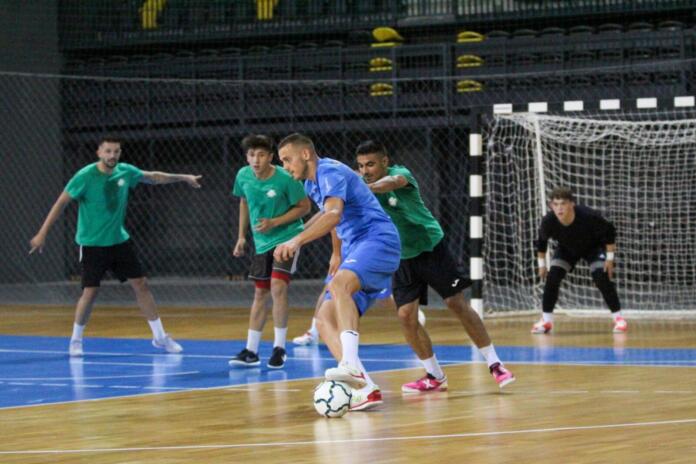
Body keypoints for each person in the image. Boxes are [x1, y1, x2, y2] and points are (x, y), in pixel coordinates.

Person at [355, 140, 515, 392]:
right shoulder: (360, 187)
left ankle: (495, 364)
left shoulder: (400, 174)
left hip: (430, 247)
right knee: (405, 316)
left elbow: (391, 183)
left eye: (371, 164)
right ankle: (434, 375)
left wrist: (366, 188)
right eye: (361, 166)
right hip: (402, 256)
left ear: (385, 162)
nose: (366, 170)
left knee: (455, 303)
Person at [29, 135, 201, 357]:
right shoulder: (85, 176)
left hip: (119, 241)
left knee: (141, 284)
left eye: (116, 151)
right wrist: (42, 233)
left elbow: (153, 177)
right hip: (92, 244)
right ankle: (76, 340)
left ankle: (159, 337)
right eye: (108, 151)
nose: (112, 155)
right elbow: (61, 202)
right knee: (90, 292)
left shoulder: (125, 172)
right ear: (99, 153)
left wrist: (184, 177)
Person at [275, 133, 401, 411]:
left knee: (339, 285)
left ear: (305, 154)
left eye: (287, 159)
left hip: (378, 240)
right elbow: (330, 216)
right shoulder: (311, 182)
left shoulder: (329, 171)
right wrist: (334, 251)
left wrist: (296, 241)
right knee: (324, 319)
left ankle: (350, 365)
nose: (285, 166)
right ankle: (365, 388)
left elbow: (333, 215)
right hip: (357, 247)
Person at [228, 134, 311, 369]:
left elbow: (304, 207)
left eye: (261, 155)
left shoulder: (285, 178)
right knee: (260, 293)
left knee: (278, 286)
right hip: (261, 242)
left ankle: (279, 348)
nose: (256, 159)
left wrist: (275, 222)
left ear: (271, 157)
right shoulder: (243, 176)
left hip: (287, 237)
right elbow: (244, 202)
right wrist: (241, 236)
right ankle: (251, 351)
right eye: (251, 155)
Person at [533, 187, 625, 334]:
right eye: (555, 204)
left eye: (563, 203)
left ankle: (619, 319)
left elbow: (609, 232)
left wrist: (609, 259)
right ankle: (546, 321)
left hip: (593, 248)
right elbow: (541, 242)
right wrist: (542, 265)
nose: (559, 208)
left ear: (572, 204)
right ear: (551, 206)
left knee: (601, 276)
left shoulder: (588, 215)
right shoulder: (548, 221)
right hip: (567, 249)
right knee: (553, 277)